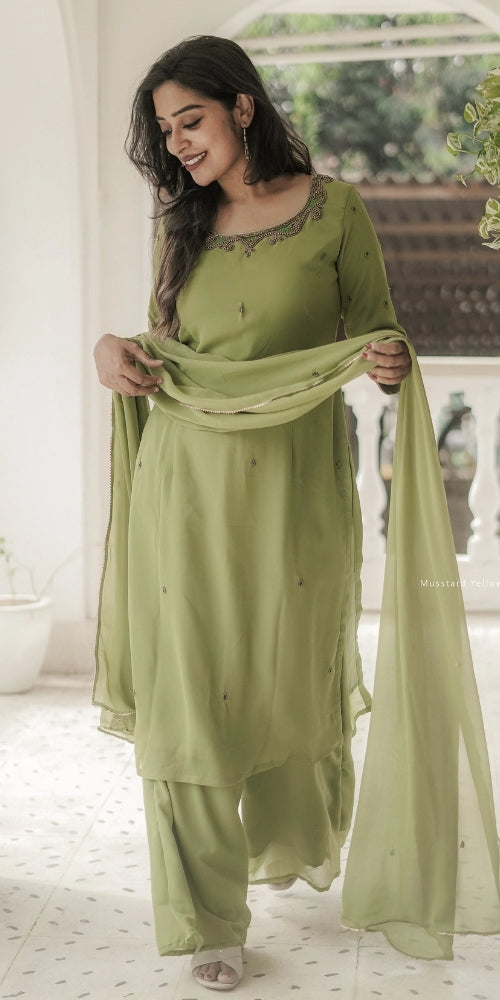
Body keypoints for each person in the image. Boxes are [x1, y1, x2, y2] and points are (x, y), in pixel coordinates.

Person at [93, 35, 499, 991]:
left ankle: (280, 844)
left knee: (283, 681)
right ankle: (206, 921)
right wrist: (114, 350)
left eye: (191, 119)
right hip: (185, 486)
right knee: (189, 700)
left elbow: (379, 332)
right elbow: (172, 343)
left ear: (242, 107)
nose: (178, 143)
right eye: (165, 129)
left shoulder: (335, 211)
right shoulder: (181, 221)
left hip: (294, 496)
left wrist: (389, 359)